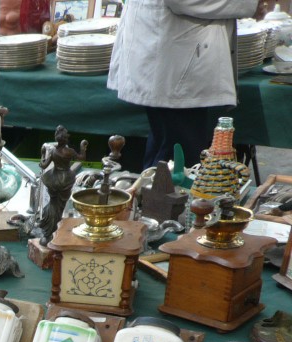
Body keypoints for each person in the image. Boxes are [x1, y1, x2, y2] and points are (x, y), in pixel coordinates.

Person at [107, 0, 264, 170]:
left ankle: (153, 193)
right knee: (177, 163)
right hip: (175, 61)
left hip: (174, 57)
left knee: (169, 154)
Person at [38, 125, 88, 245]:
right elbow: (82, 158)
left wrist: (42, 153)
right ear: (66, 139)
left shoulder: (54, 152)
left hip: (54, 178)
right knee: (60, 206)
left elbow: (43, 165)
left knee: (53, 203)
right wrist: (83, 147)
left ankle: (49, 231)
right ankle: (54, 230)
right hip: (65, 178)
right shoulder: (69, 152)